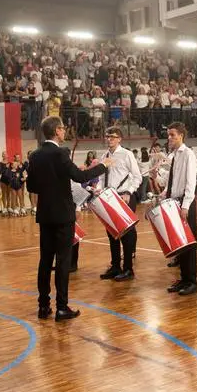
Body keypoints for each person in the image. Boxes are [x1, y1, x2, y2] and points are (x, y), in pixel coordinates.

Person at [27, 116, 110, 321]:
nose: (65, 131)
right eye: (63, 128)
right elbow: (80, 178)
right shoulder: (60, 152)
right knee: (63, 262)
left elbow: (31, 187)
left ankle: (43, 306)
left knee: (45, 261)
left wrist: (54, 183)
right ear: (57, 131)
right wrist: (103, 166)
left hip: (45, 214)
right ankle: (62, 307)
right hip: (63, 215)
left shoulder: (36, 155)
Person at [98, 126, 143, 282]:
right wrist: (99, 191)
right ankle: (115, 265)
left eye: (113, 136)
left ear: (119, 139)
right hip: (110, 198)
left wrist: (129, 192)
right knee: (112, 234)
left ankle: (128, 268)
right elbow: (102, 179)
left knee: (127, 234)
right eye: (107, 136)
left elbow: (137, 177)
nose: (109, 138)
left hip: (125, 197)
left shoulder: (127, 154)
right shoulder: (104, 155)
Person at [162, 121, 197, 296]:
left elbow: (190, 182)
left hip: (185, 203)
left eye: (173, 135)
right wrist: (164, 193)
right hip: (174, 201)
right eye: (168, 135)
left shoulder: (188, 154)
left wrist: (185, 205)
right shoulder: (175, 154)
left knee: (189, 244)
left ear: (181, 136)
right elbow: (173, 181)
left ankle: (192, 282)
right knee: (180, 244)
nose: (169, 138)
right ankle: (184, 278)